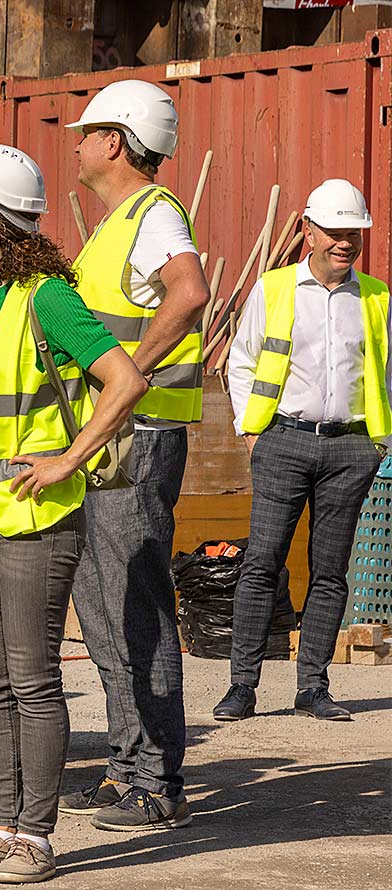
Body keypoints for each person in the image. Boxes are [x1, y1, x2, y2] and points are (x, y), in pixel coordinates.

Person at [0, 144, 147, 884]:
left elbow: (126, 379)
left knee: (31, 678)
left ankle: (36, 837)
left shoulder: (46, 295)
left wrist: (67, 460)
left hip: (35, 514)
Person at [58, 79, 211, 832]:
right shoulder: (119, 223)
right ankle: (127, 768)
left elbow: (189, 292)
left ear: (115, 142)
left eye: (86, 132)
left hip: (138, 440)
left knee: (138, 611)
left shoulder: (153, 215)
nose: (76, 143)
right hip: (113, 441)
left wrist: (132, 373)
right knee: (105, 611)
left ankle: (158, 780)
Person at [219, 178, 388, 723]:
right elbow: (240, 363)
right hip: (283, 442)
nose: (345, 241)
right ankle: (242, 686)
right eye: (335, 231)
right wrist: (252, 432)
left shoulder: (379, 298)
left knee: (330, 570)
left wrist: (378, 442)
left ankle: (313, 687)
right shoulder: (273, 289)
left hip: (351, 450)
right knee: (262, 562)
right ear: (308, 231)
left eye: (354, 232)